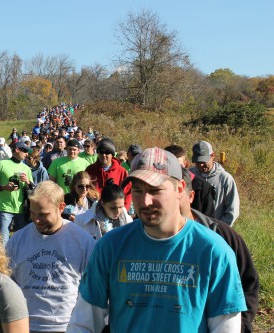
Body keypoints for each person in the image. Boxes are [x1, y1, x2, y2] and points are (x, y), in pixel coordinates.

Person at [67, 148, 246, 332]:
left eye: (155, 190)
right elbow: (83, 323)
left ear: (180, 189)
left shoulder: (213, 251)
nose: (145, 201)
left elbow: (225, 326)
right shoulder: (110, 246)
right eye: (137, 190)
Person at [6, 181, 95, 333]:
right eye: (32, 213)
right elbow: (5, 283)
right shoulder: (17, 240)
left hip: (68, 327)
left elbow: (93, 291)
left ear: (61, 207)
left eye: (43, 214)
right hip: (24, 326)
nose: (36, 220)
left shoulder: (83, 242)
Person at [179, 167, 259, 333]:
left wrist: (241, 325)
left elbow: (248, 283)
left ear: (190, 196)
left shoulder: (221, 236)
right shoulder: (138, 239)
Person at [0, 141, 35, 245]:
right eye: (25, 151)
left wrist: (28, 181)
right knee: (3, 241)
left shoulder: (27, 168)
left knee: (22, 241)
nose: (27, 154)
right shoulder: (1, 164)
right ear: (17, 150)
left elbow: (33, 189)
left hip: (22, 209)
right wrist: (4, 187)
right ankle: (3, 261)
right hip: (5, 208)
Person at [189, 140, 240, 226]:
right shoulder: (189, 175)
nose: (201, 165)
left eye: (203, 161)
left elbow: (232, 211)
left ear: (212, 156)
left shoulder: (225, 179)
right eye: (198, 162)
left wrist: (218, 230)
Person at [164, 144, 215, 217]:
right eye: (170, 166)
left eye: (178, 166)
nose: (175, 170)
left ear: (185, 164)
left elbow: (208, 220)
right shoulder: (157, 185)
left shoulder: (202, 186)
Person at [85, 138, 132, 211]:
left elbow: (128, 194)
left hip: (115, 213)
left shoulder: (121, 171)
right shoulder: (90, 170)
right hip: (94, 212)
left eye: (107, 152)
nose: (103, 155)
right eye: (101, 152)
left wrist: (122, 210)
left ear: (112, 154)